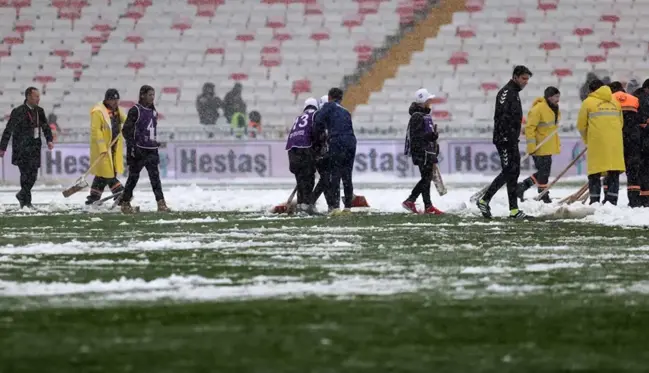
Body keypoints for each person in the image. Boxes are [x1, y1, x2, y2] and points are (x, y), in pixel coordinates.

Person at [476, 65, 533, 219]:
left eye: (527, 79)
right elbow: (501, 118)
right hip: (505, 140)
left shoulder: (514, 92)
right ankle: (484, 200)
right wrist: (506, 136)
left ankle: (514, 210)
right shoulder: (507, 92)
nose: (526, 82)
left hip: (511, 139)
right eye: (523, 78)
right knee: (509, 171)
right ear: (515, 77)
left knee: (514, 172)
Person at [120, 85, 170, 213]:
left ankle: (161, 203)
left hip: (151, 149)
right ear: (142, 95)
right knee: (133, 177)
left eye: (153, 95)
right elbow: (126, 131)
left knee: (155, 178)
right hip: (138, 150)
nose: (152, 97)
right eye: (150, 95)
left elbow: (151, 130)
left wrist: (154, 142)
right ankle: (125, 203)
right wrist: (133, 146)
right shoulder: (135, 110)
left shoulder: (153, 111)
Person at [0, 87, 53, 209]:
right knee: (25, 175)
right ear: (28, 96)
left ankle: (22, 194)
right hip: (21, 148)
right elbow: (9, 129)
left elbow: (45, 127)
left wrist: (49, 140)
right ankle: (26, 202)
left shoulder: (40, 111)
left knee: (33, 175)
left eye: (39, 97)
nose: (38, 99)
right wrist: (2, 147)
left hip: (34, 148)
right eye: (36, 96)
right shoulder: (18, 111)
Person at [577, 79, 625, 205]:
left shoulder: (588, 102)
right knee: (613, 172)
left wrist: (587, 140)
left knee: (595, 173)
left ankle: (595, 201)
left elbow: (581, 125)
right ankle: (612, 201)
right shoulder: (615, 102)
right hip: (615, 143)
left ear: (592, 90)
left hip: (597, 143)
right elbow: (621, 123)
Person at [314, 87, 357, 215]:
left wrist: (321, 136)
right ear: (341, 98)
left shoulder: (328, 106)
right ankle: (348, 207)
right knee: (347, 175)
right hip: (351, 141)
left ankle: (336, 207)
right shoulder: (345, 111)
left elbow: (317, 121)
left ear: (329, 97)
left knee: (335, 174)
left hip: (337, 141)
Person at [515, 86, 561, 204]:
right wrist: (531, 147)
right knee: (544, 172)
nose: (558, 99)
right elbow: (529, 129)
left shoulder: (554, 108)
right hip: (539, 147)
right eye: (556, 97)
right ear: (549, 97)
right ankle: (543, 195)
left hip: (547, 146)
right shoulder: (538, 109)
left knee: (543, 172)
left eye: (558, 96)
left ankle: (522, 187)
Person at [402, 88, 443, 215]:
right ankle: (411, 200)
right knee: (426, 178)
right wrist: (432, 136)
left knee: (426, 178)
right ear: (423, 101)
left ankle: (428, 206)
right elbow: (417, 137)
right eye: (428, 99)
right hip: (423, 153)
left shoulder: (420, 115)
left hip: (425, 152)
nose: (430, 102)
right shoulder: (417, 117)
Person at [84, 89, 126, 206]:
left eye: (117, 100)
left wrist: (131, 123)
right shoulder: (98, 111)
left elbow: (126, 120)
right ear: (107, 100)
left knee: (103, 174)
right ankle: (120, 192)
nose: (115, 103)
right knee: (108, 173)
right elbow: (96, 131)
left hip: (113, 147)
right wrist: (102, 148)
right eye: (113, 100)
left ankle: (93, 197)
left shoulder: (117, 110)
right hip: (101, 148)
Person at [610, 81, 642, 207]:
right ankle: (634, 200)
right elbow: (640, 119)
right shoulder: (634, 99)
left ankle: (610, 199)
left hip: (617, 138)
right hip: (633, 138)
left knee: (612, 169)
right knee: (633, 170)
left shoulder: (609, 100)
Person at [285, 98, 319, 214]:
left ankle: (300, 205)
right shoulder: (315, 115)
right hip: (305, 148)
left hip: (291, 149)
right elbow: (316, 133)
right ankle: (305, 204)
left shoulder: (299, 118)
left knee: (300, 179)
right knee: (309, 178)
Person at [633, 79, 649, 207]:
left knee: (639, 170)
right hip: (644, 140)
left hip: (636, 140)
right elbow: (644, 122)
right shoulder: (644, 100)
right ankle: (645, 198)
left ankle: (639, 197)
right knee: (644, 170)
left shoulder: (635, 98)